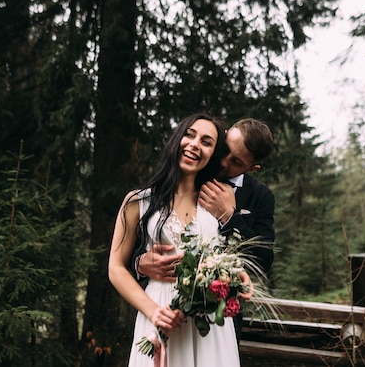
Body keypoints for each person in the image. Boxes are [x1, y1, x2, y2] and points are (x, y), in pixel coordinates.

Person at [108, 113, 253, 367]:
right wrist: (154, 312)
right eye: (190, 134)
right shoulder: (137, 201)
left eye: (206, 142)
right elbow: (116, 268)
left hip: (208, 323)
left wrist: (234, 273)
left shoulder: (220, 198)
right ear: (177, 140)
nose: (195, 144)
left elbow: (231, 251)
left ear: (212, 155)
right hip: (160, 312)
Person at [136, 118, 275, 341]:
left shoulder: (261, 197)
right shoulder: (188, 171)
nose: (223, 162)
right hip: (162, 308)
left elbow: (262, 260)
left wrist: (229, 217)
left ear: (252, 168)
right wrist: (140, 264)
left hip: (218, 323)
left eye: (236, 162)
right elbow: (147, 231)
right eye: (226, 150)